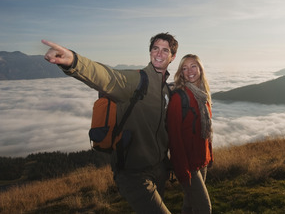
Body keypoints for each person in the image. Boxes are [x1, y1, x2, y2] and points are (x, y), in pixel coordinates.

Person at [42, 32, 178, 214]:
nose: (159, 53)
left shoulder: (166, 90)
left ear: (172, 56)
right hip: (133, 173)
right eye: (155, 48)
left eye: (165, 50)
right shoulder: (137, 80)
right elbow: (107, 77)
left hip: (158, 169)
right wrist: (74, 61)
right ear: (150, 52)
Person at [167, 54, 213, 214]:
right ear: (181, 73)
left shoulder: (203, 96)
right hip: (188, 164)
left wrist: (210, 155)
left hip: (202, 159)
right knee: (204, 209)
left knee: (189, 204)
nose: (189, 71)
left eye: (193, 66)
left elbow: (206, 131)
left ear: (200, 69)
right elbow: (174, 138)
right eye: (184, 68)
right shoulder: (179, 98)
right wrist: (182, 170)